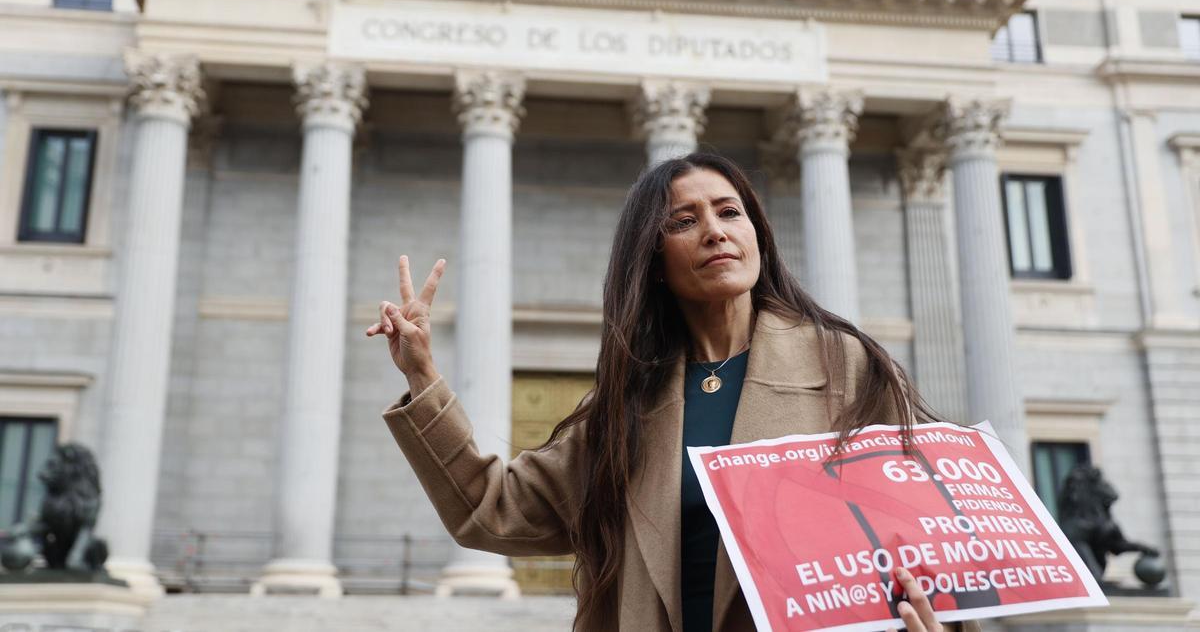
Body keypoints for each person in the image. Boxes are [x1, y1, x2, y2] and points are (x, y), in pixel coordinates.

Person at [367, 152, 972, 632]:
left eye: (730, 213)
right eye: (685, 222)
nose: (715, 232)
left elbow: (926, 531)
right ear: (655, 260)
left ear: (757, 233)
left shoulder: (846, 368)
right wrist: (422, 376)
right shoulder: (624, 409)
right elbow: (490, 510)